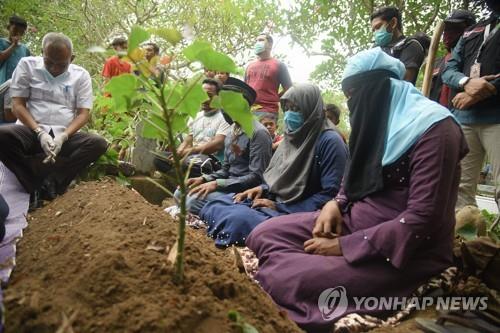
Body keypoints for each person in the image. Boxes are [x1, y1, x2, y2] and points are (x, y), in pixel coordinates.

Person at [246, 48, 467, 333]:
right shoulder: (377, 122)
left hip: (406, 248)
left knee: (287, 277)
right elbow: (352, 179)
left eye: (354, 94)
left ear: (379, 87)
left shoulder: (436, 129)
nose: (351, 104)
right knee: (262, 234)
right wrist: (335, 204)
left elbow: (422, 219)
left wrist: (344, 247)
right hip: (353, 221)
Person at [199, 83, 348, 248]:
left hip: (300, 211)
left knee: (237, 221)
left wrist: (281, 206)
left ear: (311, 109)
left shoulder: (330, 141)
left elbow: (330, 194)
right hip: (273, 202)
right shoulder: (292, 137)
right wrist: (263, 189)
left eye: (296, 108)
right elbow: (279, 175)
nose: (290, 114)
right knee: (216, 205)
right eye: (287, 108)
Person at [0, 32, 108, 199]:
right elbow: (17, 106)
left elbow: (83, 114)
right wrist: (39, 132)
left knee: (98, 144)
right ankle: (33, 180)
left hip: (64, 135)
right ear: (42, 53)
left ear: (71, 59)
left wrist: (63, 136)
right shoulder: (27, 65)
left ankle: (54, 180)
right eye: (49, 62)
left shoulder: (81, 75)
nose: (54, 68)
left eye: (61, 64)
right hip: (30, 132)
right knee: (2, 136)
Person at [176, 78, 272, 216]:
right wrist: (204, 179)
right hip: (227, 185)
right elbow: (226, 169)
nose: (223, 107)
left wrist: (217, 184)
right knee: (181, 192)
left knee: (192, 201)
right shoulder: (232, 130)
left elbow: (256, 177)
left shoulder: (259, 133)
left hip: (243, 192)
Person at [442, 0, 500, 210]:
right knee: (460, 189)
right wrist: (467, 82)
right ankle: (467, 241)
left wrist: (486, 89)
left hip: (496, 120)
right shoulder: (472, 31)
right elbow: (449, 70)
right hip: (465, 120)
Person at [154, 78, 230, 176]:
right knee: (157, 157)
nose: (204, 99)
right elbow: (187, 140)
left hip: (211, 160)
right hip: (192, 156)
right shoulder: (196, 116)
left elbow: (217, 144)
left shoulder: (225, 117)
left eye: (209, 95)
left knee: (189, 164)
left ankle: (180, 175)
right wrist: (178, 153)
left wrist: (187, 152)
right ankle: (180, 175)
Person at [429, 10, 476, 108]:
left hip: (464, 118)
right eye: (446, 29)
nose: (448, 33)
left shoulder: (475, 59)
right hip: (437, 117)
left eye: (455, 29)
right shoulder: (436, 63)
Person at [370, 6, 426, 85]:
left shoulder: (411, 45)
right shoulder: (376, 50)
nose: (376, 33)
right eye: (373, 30)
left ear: (393, 23)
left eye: (378, 27)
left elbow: (404, 82)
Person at [245, 33, 292, 117]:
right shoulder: (249, 66)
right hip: (249, 111)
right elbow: (245, 89)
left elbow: (288, 88)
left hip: (268, 111)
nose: (257, 43)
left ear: (270, 45)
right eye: (256, 41)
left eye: (261, 40)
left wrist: (276, 97)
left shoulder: (279, 65)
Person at [1, 15, 30, 123]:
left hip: (18, 91)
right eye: (15, 30)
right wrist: (13, 45)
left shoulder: (25, 50)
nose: (17, 34)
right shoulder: (1, 43)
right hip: (3, 86)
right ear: (8, 27)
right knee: (11, 82)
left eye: (21, 32)